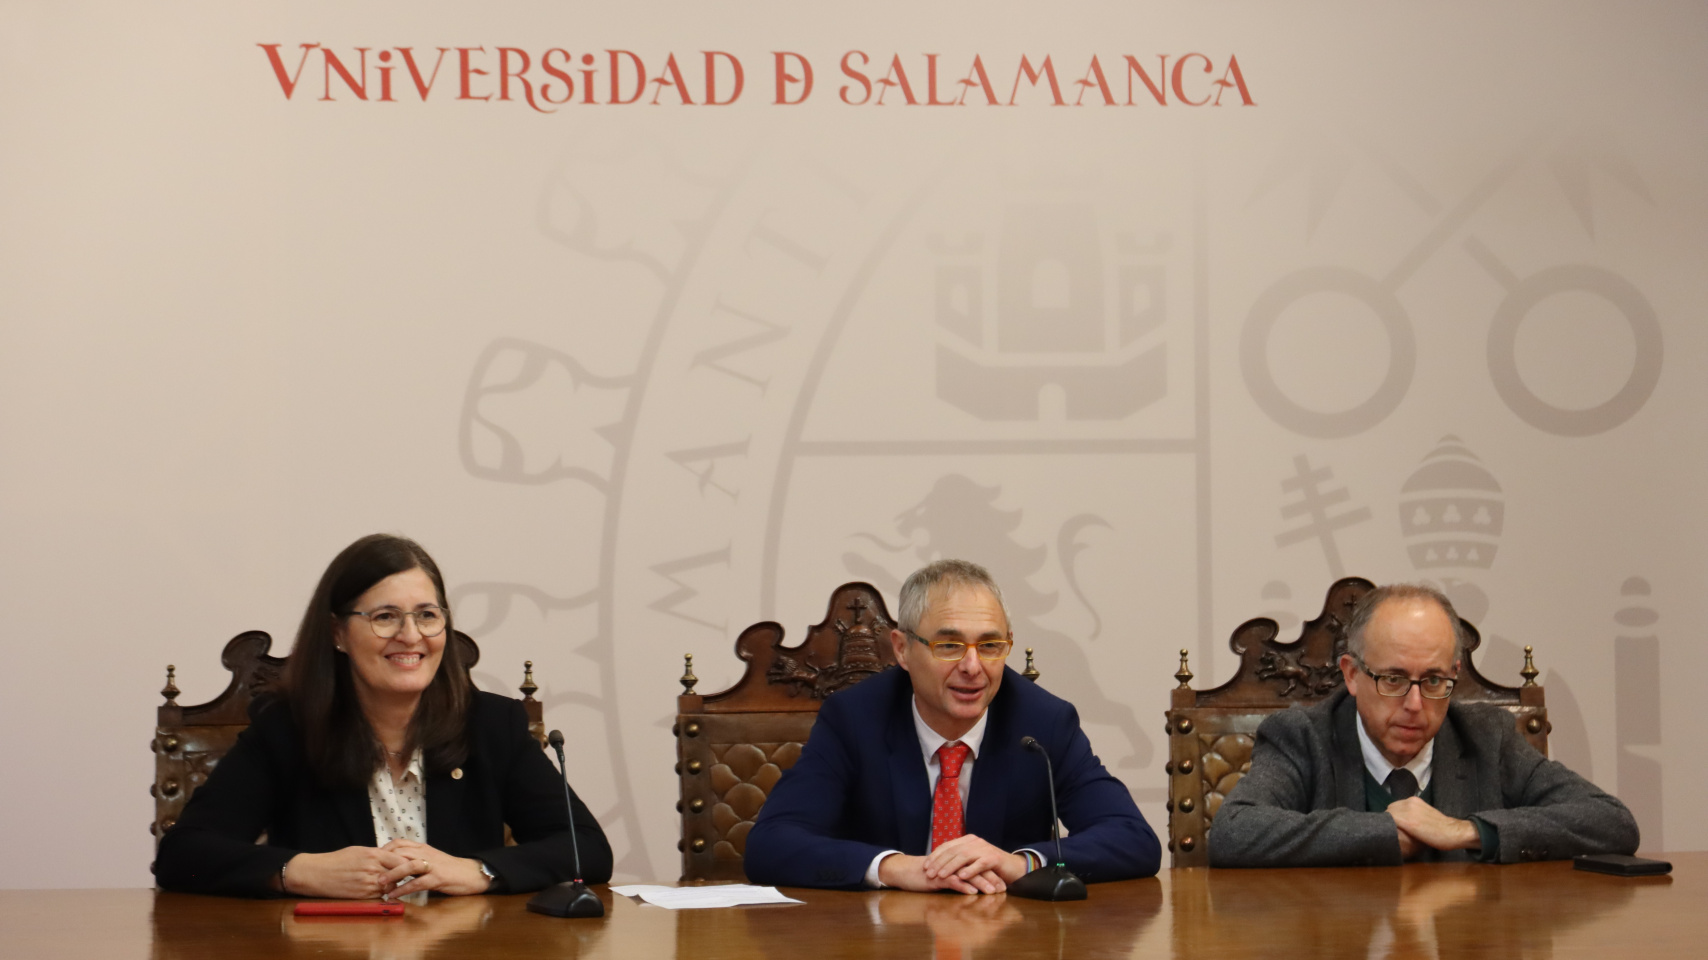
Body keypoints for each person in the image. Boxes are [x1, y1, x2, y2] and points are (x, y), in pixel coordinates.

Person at [153, 534, 611, 898]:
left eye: (427, 615)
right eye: (386, 616)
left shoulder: (492, 726)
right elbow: (183, 854)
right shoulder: (288, 730)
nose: (411, 636)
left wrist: (479, 871)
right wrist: (300, 871)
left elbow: (587, 849)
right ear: (337, 633)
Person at [744, 559, 1160, 892]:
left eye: (991, 645)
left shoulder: (1042, 722)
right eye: (949, 646)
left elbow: (1133, 839)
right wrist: (894, 868)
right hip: (879, 940)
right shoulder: (854, 719)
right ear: (902, 650)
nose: (973, 667)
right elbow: (771, 843)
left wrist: (1021, 862)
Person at [1210, 583, 1639, 867]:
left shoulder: (1485, 736)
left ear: (1454, 673)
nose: (1416, 705)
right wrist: (1381, 833)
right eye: (1393, 679)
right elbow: (1233, 833)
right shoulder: (1302, 737)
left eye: (1434, 680)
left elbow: (1612, 822)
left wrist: (1466, 830)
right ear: (1352, 674)